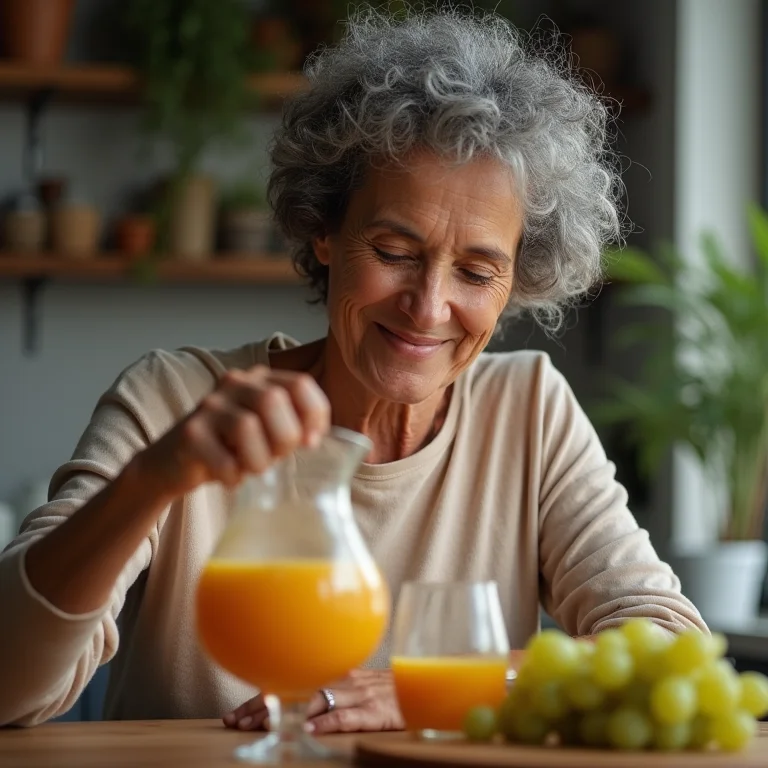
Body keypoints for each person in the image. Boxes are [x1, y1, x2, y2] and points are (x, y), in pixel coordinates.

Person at [0, 9, 706, 732]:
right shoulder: (173, 402)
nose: (429, 307)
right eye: (395, 251)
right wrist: (151, 480)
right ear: (324, 231)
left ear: (516, 281)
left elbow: (669, 643)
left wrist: (459, 685)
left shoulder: (528, 410)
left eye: (475, 270)